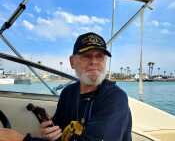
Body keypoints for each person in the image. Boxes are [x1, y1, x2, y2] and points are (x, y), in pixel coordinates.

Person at [0, 32, 132, 141]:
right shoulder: (68, 92)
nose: (94, 62)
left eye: (100, 56)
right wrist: (50, 133)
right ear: (72, 62)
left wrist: (20, 139)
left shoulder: (115, 98)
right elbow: (60, 132)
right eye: (86, 56)